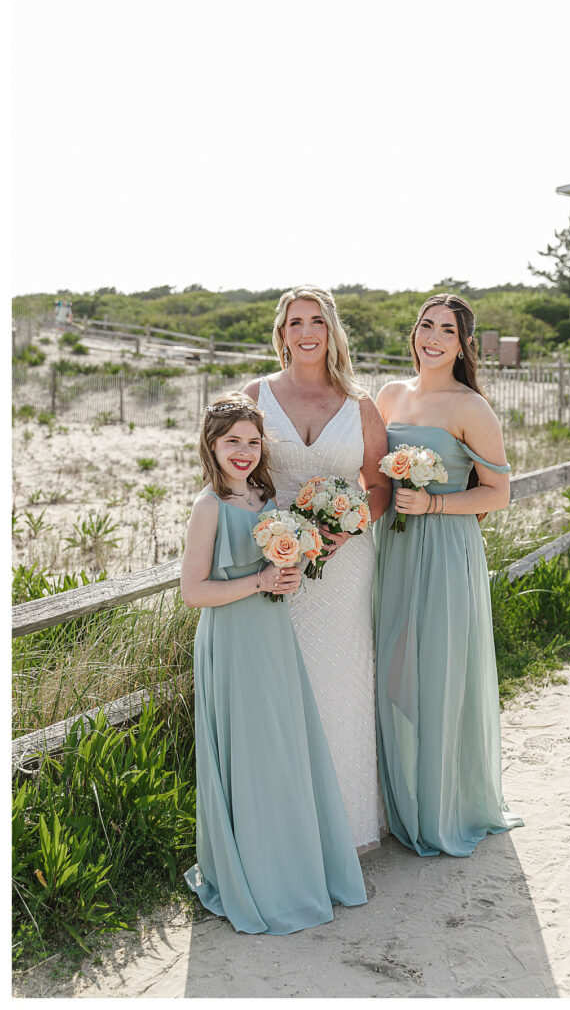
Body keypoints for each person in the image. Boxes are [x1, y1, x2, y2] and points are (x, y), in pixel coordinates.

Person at [181, 392, 366, 934]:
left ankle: (293, 866)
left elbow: (275, 564)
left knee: (284, 748)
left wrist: (290, 567)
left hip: (271, 632)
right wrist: (260, 581)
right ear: (211, 446)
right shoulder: (208, 507)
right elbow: (194, 592)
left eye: (252, 442)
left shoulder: (263, 498)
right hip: (233, 641)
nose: (243, 451)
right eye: (232, 441)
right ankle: (254, 876)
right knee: (249, 751)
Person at [374, 293, 523, 857]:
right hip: (394, 547)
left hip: (445, 548)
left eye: (448, 331)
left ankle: (440, 806)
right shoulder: (390, 395)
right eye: (426, 326)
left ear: (463, 346)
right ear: (414, 333)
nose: (433, 338)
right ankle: (397, 796)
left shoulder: (471, 408)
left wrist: (434, 506)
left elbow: (498, 493)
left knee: (436, 671)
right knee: (391, 668)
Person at [244, 285, 391, 852]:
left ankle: (348, 830)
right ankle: (284, 832)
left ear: (332, 332)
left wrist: (345, 526)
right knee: (278, 692)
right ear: (281, 333)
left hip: (344, 568)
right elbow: (234, 469)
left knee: (341, 685)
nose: (306, 332)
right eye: (295, 322)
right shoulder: (256, 394)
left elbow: (377, 487)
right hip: (272, 566)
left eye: (317, 322)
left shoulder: (360, 406)